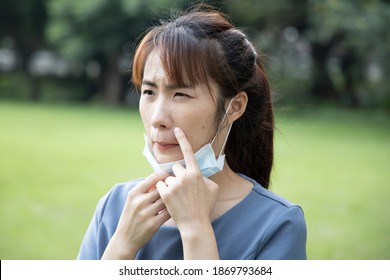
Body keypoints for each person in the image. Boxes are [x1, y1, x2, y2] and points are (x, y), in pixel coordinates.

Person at [77, 4, 307, 260]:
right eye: (149, 92)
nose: (157, 119)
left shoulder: (277, 225)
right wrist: (122, 245)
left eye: (181, 95)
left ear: (235, 107)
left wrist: (196, 230)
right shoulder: (117, 206)